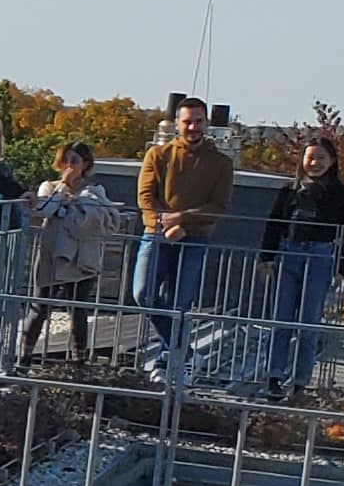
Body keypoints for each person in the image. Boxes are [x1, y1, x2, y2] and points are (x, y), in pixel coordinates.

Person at [131, 93, 233, 377]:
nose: (193, 127)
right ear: (177, 124)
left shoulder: (221, 163)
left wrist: (183, 221)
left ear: (207, 123)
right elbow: (145, 197)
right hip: (156, 235)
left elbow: (218, 206)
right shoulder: (158, 155)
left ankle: (170, 361)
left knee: (180, 303)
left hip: (196, 239)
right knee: (143, 293)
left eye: (198, 121)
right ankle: (182, 350)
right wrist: (165, 225)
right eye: (187, 122)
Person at [262, 127, 344, 396]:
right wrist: (266, 257)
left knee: (308, 322)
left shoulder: (340, 193)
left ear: (332, 161)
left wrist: (341, 267)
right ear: (302, 160)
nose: (315, 163)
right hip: (289, 253)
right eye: (310, 158)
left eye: (321, 158)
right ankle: (274, 377)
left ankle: (300, 381)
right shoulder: (289, 190)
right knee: (281, 319)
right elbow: (273, 225)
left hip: (320, 256)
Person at [19, 140, 126, 371]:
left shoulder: (95, 191)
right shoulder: (49, 186)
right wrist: (63, 189)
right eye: (65, 160)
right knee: (40, 306)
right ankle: (24, 357)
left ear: (85, 164)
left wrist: (77, 205)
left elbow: (103, 216)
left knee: (78, 308)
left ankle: (79, 361)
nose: (69, 165)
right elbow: (44, 209)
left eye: (74, 161)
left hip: (83, 259)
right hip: (53, 255)